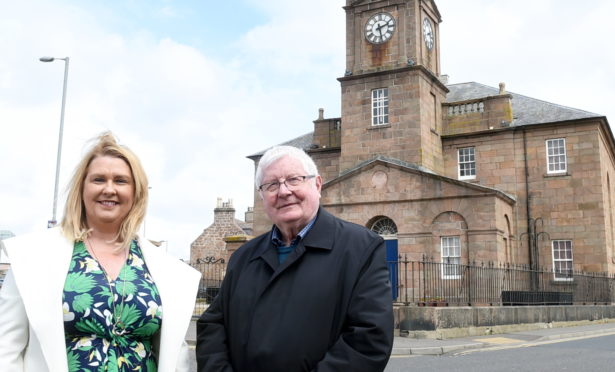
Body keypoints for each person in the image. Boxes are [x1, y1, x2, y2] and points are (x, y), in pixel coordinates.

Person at [0, 132, 200, 371]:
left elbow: (176, 357)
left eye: (120, 181)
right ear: (82, 188)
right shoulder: (32, 257)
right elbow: (6, 349)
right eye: (98, 179)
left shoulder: (166, 270)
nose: (109, 189)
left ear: (136, 192)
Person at [196, 145, 393, 372]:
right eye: (271, 185)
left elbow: (368, 340)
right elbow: (213, 325)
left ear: (317, 185)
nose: (283, 191)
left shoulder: (362, 248)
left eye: (294, 179)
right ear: (262, 196)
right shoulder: (243, 257)